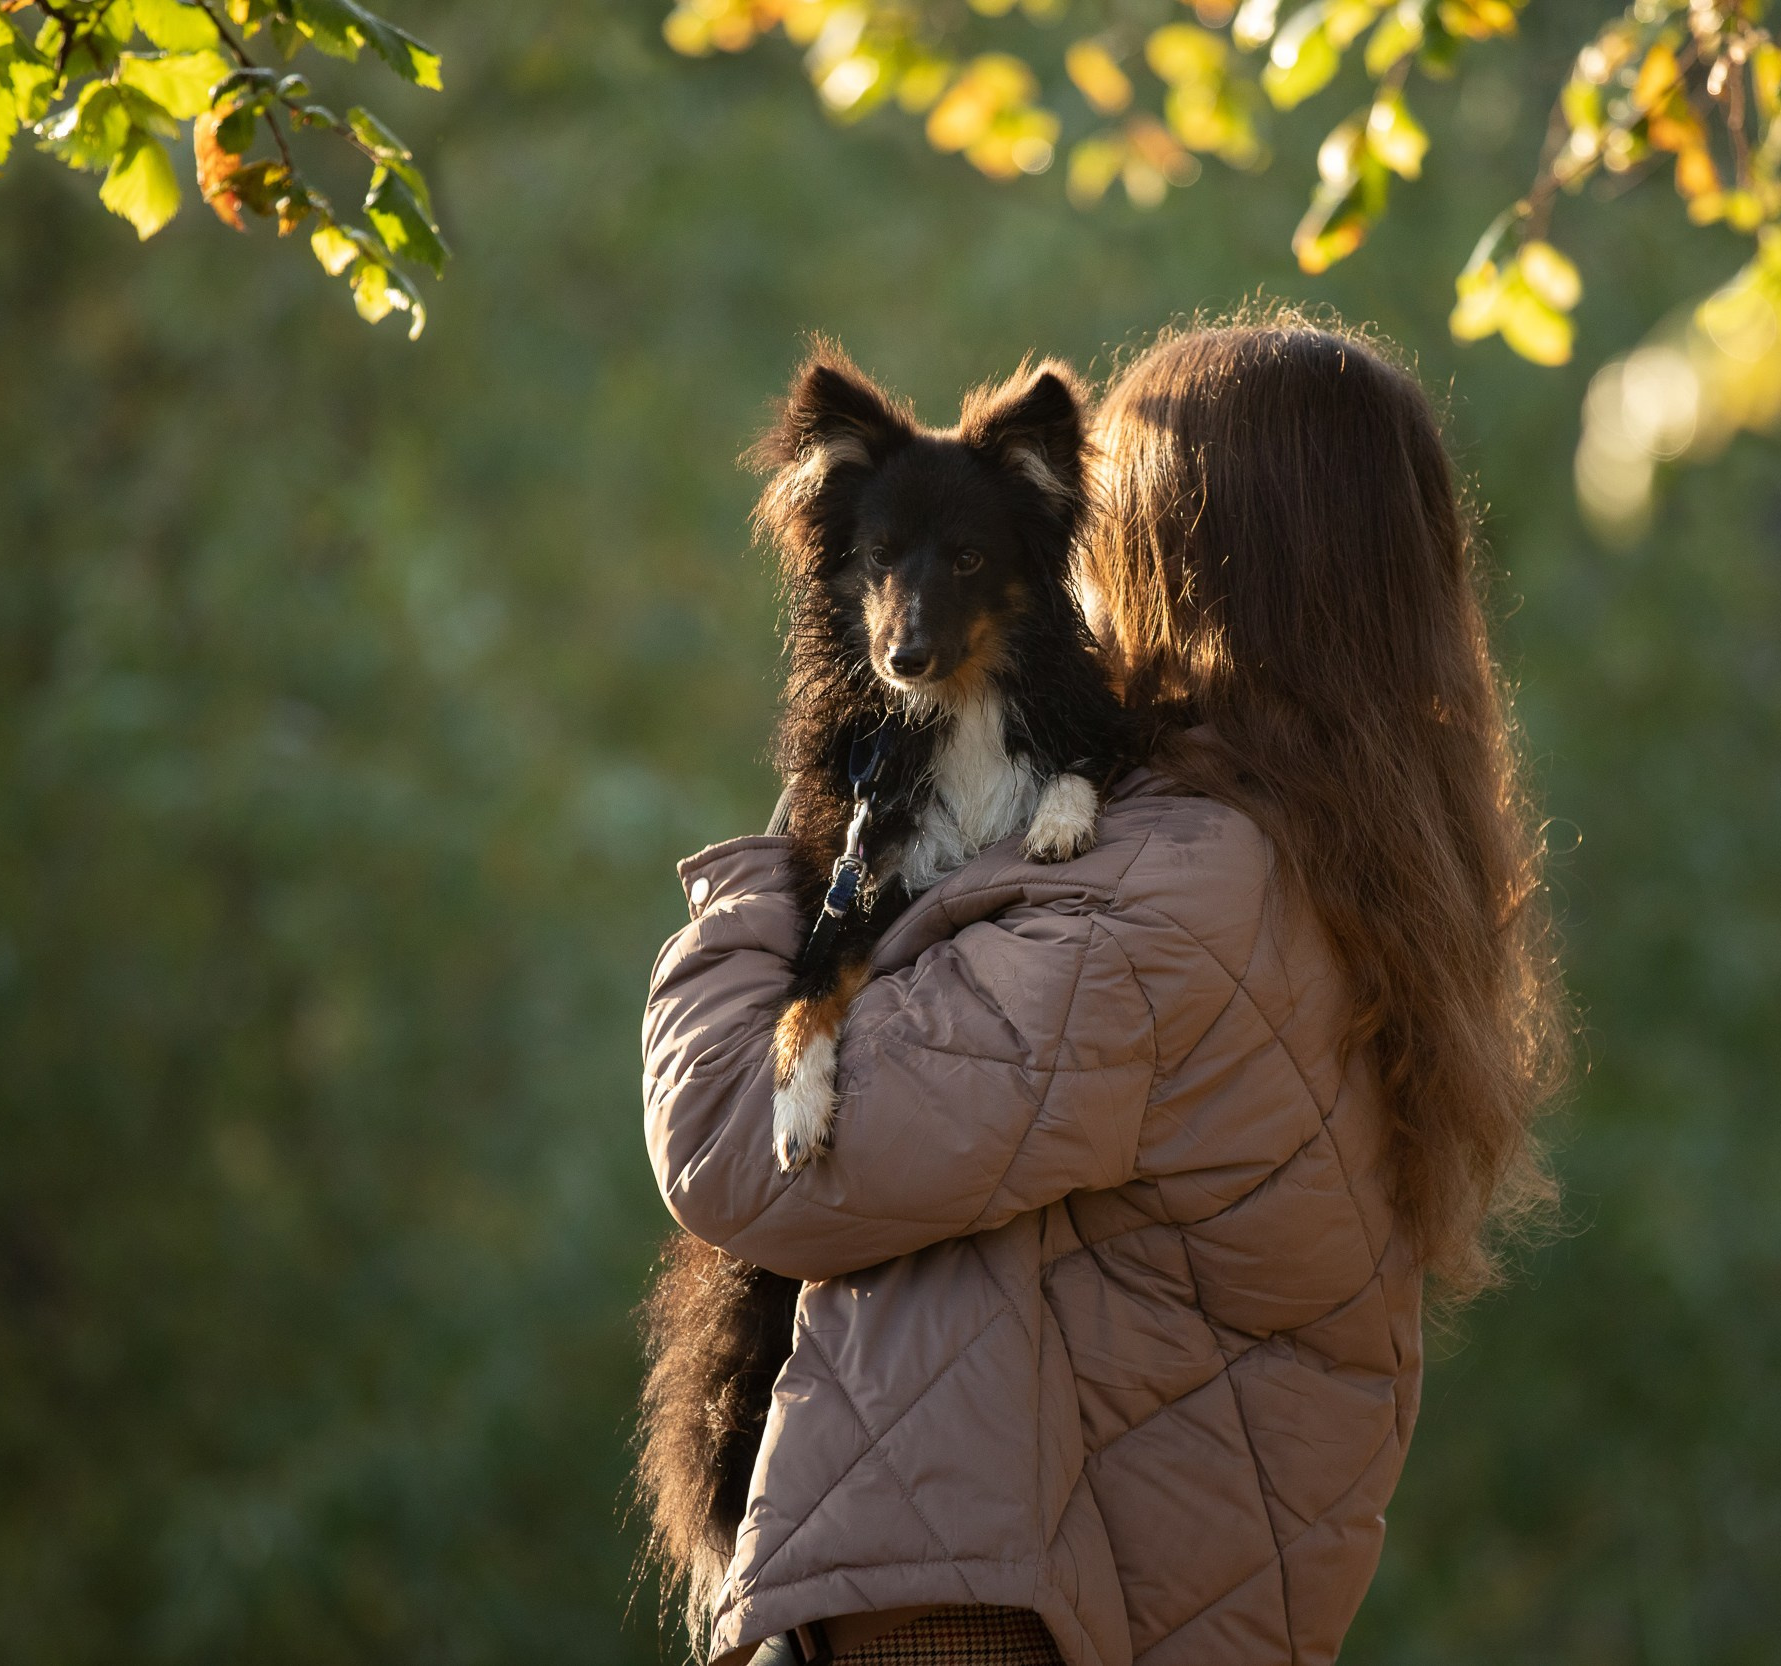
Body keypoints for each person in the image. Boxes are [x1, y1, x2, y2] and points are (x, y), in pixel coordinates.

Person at [641, 315, 1567, 1666]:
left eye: (1094, 514)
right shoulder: (1318, 868)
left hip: (970, 1625)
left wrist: (794, 842)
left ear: (1178, 556)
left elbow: (739, 1144)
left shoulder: (1166, 905)